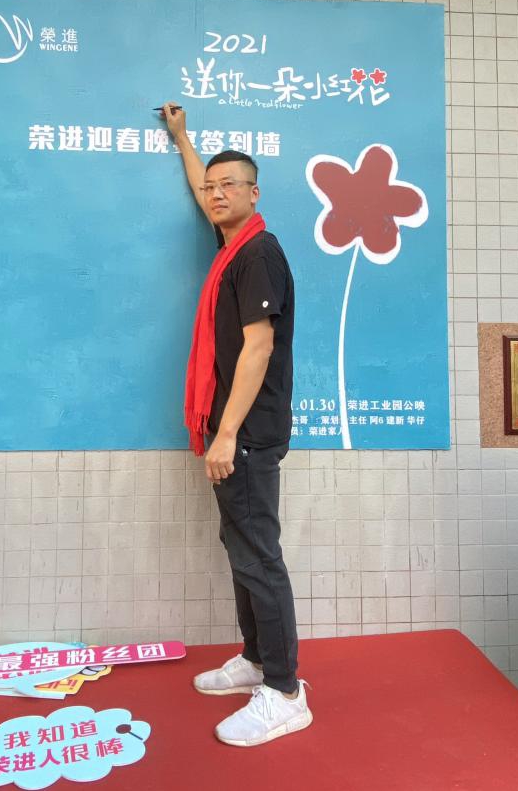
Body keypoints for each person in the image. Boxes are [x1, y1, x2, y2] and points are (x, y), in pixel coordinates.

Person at [161, 101, 311, 747]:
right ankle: (255, 658)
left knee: (259, 556)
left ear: (255, 193)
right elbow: (204, 191)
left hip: (246, 432)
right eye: (211, 186)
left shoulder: (257, 255)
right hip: (237, 431)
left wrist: (225, 434)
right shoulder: (234, 247)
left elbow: (258, 347)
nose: (217, 194)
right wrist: (182, 138)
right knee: (242, 549)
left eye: (230, 185)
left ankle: (285, 691)